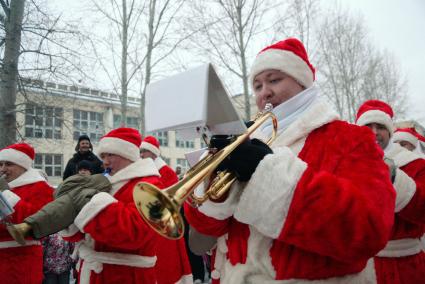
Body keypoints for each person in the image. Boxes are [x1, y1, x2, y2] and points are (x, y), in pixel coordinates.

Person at [184, 38, 396, 283]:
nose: (265, 92)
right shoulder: (248, 138)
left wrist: (267, 174)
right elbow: (207, 231)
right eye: (258, 85)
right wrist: (213, 180)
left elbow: (368, 230)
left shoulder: (351, 138)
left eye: (274, 80)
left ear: (302, 82)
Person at [12, 128, 164, 284]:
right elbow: (82, 233)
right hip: (93, 271)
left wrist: (91, 202)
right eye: (103, 156)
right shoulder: (107, 181)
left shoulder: (150, 185)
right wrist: (71, 217)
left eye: (110, 155)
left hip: (127, 276)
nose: (104, 162)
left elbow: (135, 233)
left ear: (128, 154)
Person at [355, 100, 425, 284]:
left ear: (390, 132)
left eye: (380, 127)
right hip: (359, 267)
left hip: (405, 265)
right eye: (368, 126)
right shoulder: (348, 164)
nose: (374, 132)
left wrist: (394, 178)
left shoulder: (415, 164)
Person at [140, 135, 193, 284]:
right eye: (141, 151)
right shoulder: (147, 170)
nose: (141, 154)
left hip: (164, 227)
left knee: (167, 268)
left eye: (144, 151)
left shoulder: (166, 171)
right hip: (152, 226)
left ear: (154, 152)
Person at [0, 142, 54, 284]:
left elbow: (39, 222)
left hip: (21, 260)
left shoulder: (40, 187)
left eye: (9, 164)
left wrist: (8, 197)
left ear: (23, 166)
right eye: (1, 164)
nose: (3, 169)